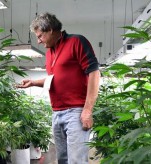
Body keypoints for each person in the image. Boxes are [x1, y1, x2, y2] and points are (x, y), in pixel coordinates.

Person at [16, 12, 100, 164]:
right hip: (57, 113)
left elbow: (94, 73)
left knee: (76, 161)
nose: (38, 41)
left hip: (75, 112)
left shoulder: (76, 41)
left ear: (50, 30)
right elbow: (54, 80)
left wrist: (87, 110)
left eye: (40, 36)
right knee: (62, 159)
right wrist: (33, 83)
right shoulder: (49, 53)